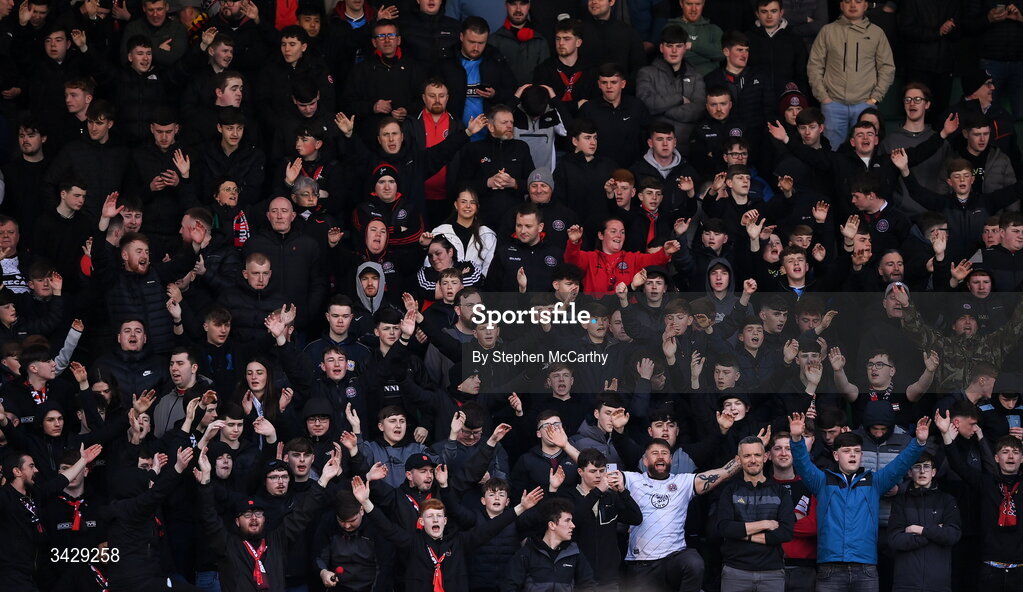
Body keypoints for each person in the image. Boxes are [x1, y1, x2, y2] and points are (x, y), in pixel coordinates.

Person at [789, 411, 929, 592]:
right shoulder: (822, 481)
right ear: (836, 455)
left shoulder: (875, 481)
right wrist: (796, 438)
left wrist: (918, 442)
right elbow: (802, 464)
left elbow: (900, 464)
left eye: (856, 451)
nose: (852, 455)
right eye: (846, 451)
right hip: (830, 568)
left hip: (866, 568)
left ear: (862, 455)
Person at [622, 438, 741, 592]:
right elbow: (596, 472)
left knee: (693, 562)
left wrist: (749, 452)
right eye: (655, 453)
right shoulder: (631, 479)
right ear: (645, 460)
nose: (660, 457)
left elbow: (724, 472)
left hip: (674, 560)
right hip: (641, 564)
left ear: (670, 459)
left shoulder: (683, 482)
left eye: (664, 453)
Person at [806, 0, 895, 150]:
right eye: (847, 1)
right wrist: (824, 97)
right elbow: (814, 65)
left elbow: (887, 67)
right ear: (841, 5)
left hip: (865, 103)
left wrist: (874, 98)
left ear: (865, 5)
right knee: (832, 151)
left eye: (858, 1)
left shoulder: (876, 33)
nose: (853, 5)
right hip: (833, 104)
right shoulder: (827, 31)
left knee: (865, 151)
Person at [716, 435, 794, 592]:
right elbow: (724, 528)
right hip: (735, 571)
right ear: (739, 460)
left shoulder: (781, 492)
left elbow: (785, 532)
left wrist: (744, 534)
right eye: (747, 456)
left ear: (766, 457)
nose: (753, 460)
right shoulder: (729, 491)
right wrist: (765, 524)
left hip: (772, 572)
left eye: (757, 455)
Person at [886, 451, 962, 592]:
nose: (922, 471)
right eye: (917, 467)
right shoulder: (901, 501)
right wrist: (935, 532)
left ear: (933, 472)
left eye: (926, 467)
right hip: (906, 584)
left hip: (938, 584)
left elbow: (953, 535)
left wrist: (918, 530)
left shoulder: (947, 500)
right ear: (909, 472)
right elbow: (895, 539)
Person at [501, 497, 598, 592]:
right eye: (567, 520)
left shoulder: (575, 553)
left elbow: (588, 585)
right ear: (552, 525)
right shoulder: (526, 553)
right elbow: (509, 587)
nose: (573, 525)